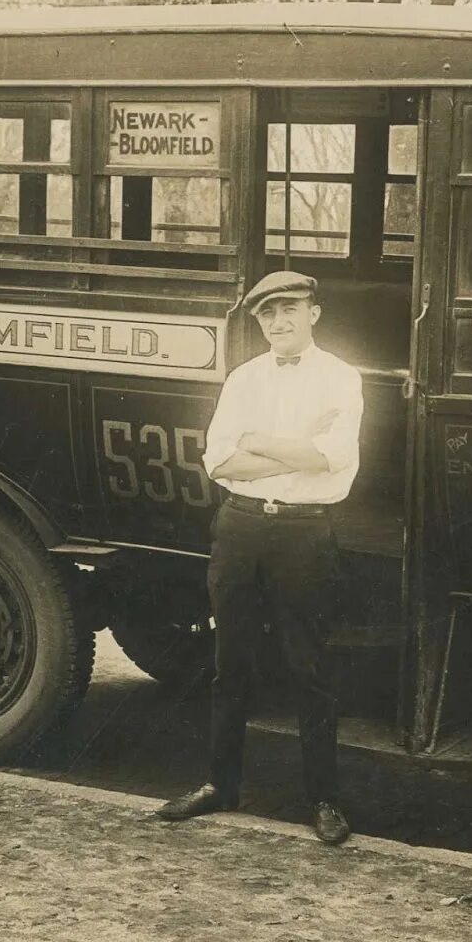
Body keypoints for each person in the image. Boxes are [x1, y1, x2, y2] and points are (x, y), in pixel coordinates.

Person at [155, 270, 364, 845]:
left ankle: (323, 800)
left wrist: (261, 444)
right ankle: (220, 786)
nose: (279, 322)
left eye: (290, 309)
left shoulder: (343, 380)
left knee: (309, 667)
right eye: (268, 314)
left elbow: (336, 457)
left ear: (314, 313)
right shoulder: (245, 378)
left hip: (305, 533)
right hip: (240, 527)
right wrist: (297, 453)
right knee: (230, 661)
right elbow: (218, 462)